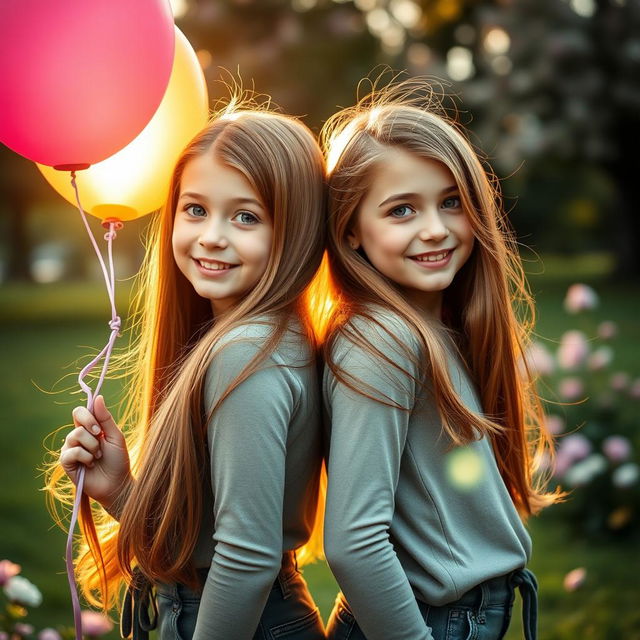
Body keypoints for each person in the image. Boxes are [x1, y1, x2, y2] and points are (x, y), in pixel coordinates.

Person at [47, 103, 327, 640]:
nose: (211, 236)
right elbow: (208, 538)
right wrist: (121, 492)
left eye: (246, 216)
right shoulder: (266, 337)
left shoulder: (245, 351)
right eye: (195, 209)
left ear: (296, 230)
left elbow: (244, 560)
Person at [319, 79, 562, 640]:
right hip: (427, 621)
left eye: (451, 201)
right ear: (351, 230)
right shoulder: (380, 342)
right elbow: (354, 544)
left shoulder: (429, 326)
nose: (436, 228)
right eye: (401, 209)